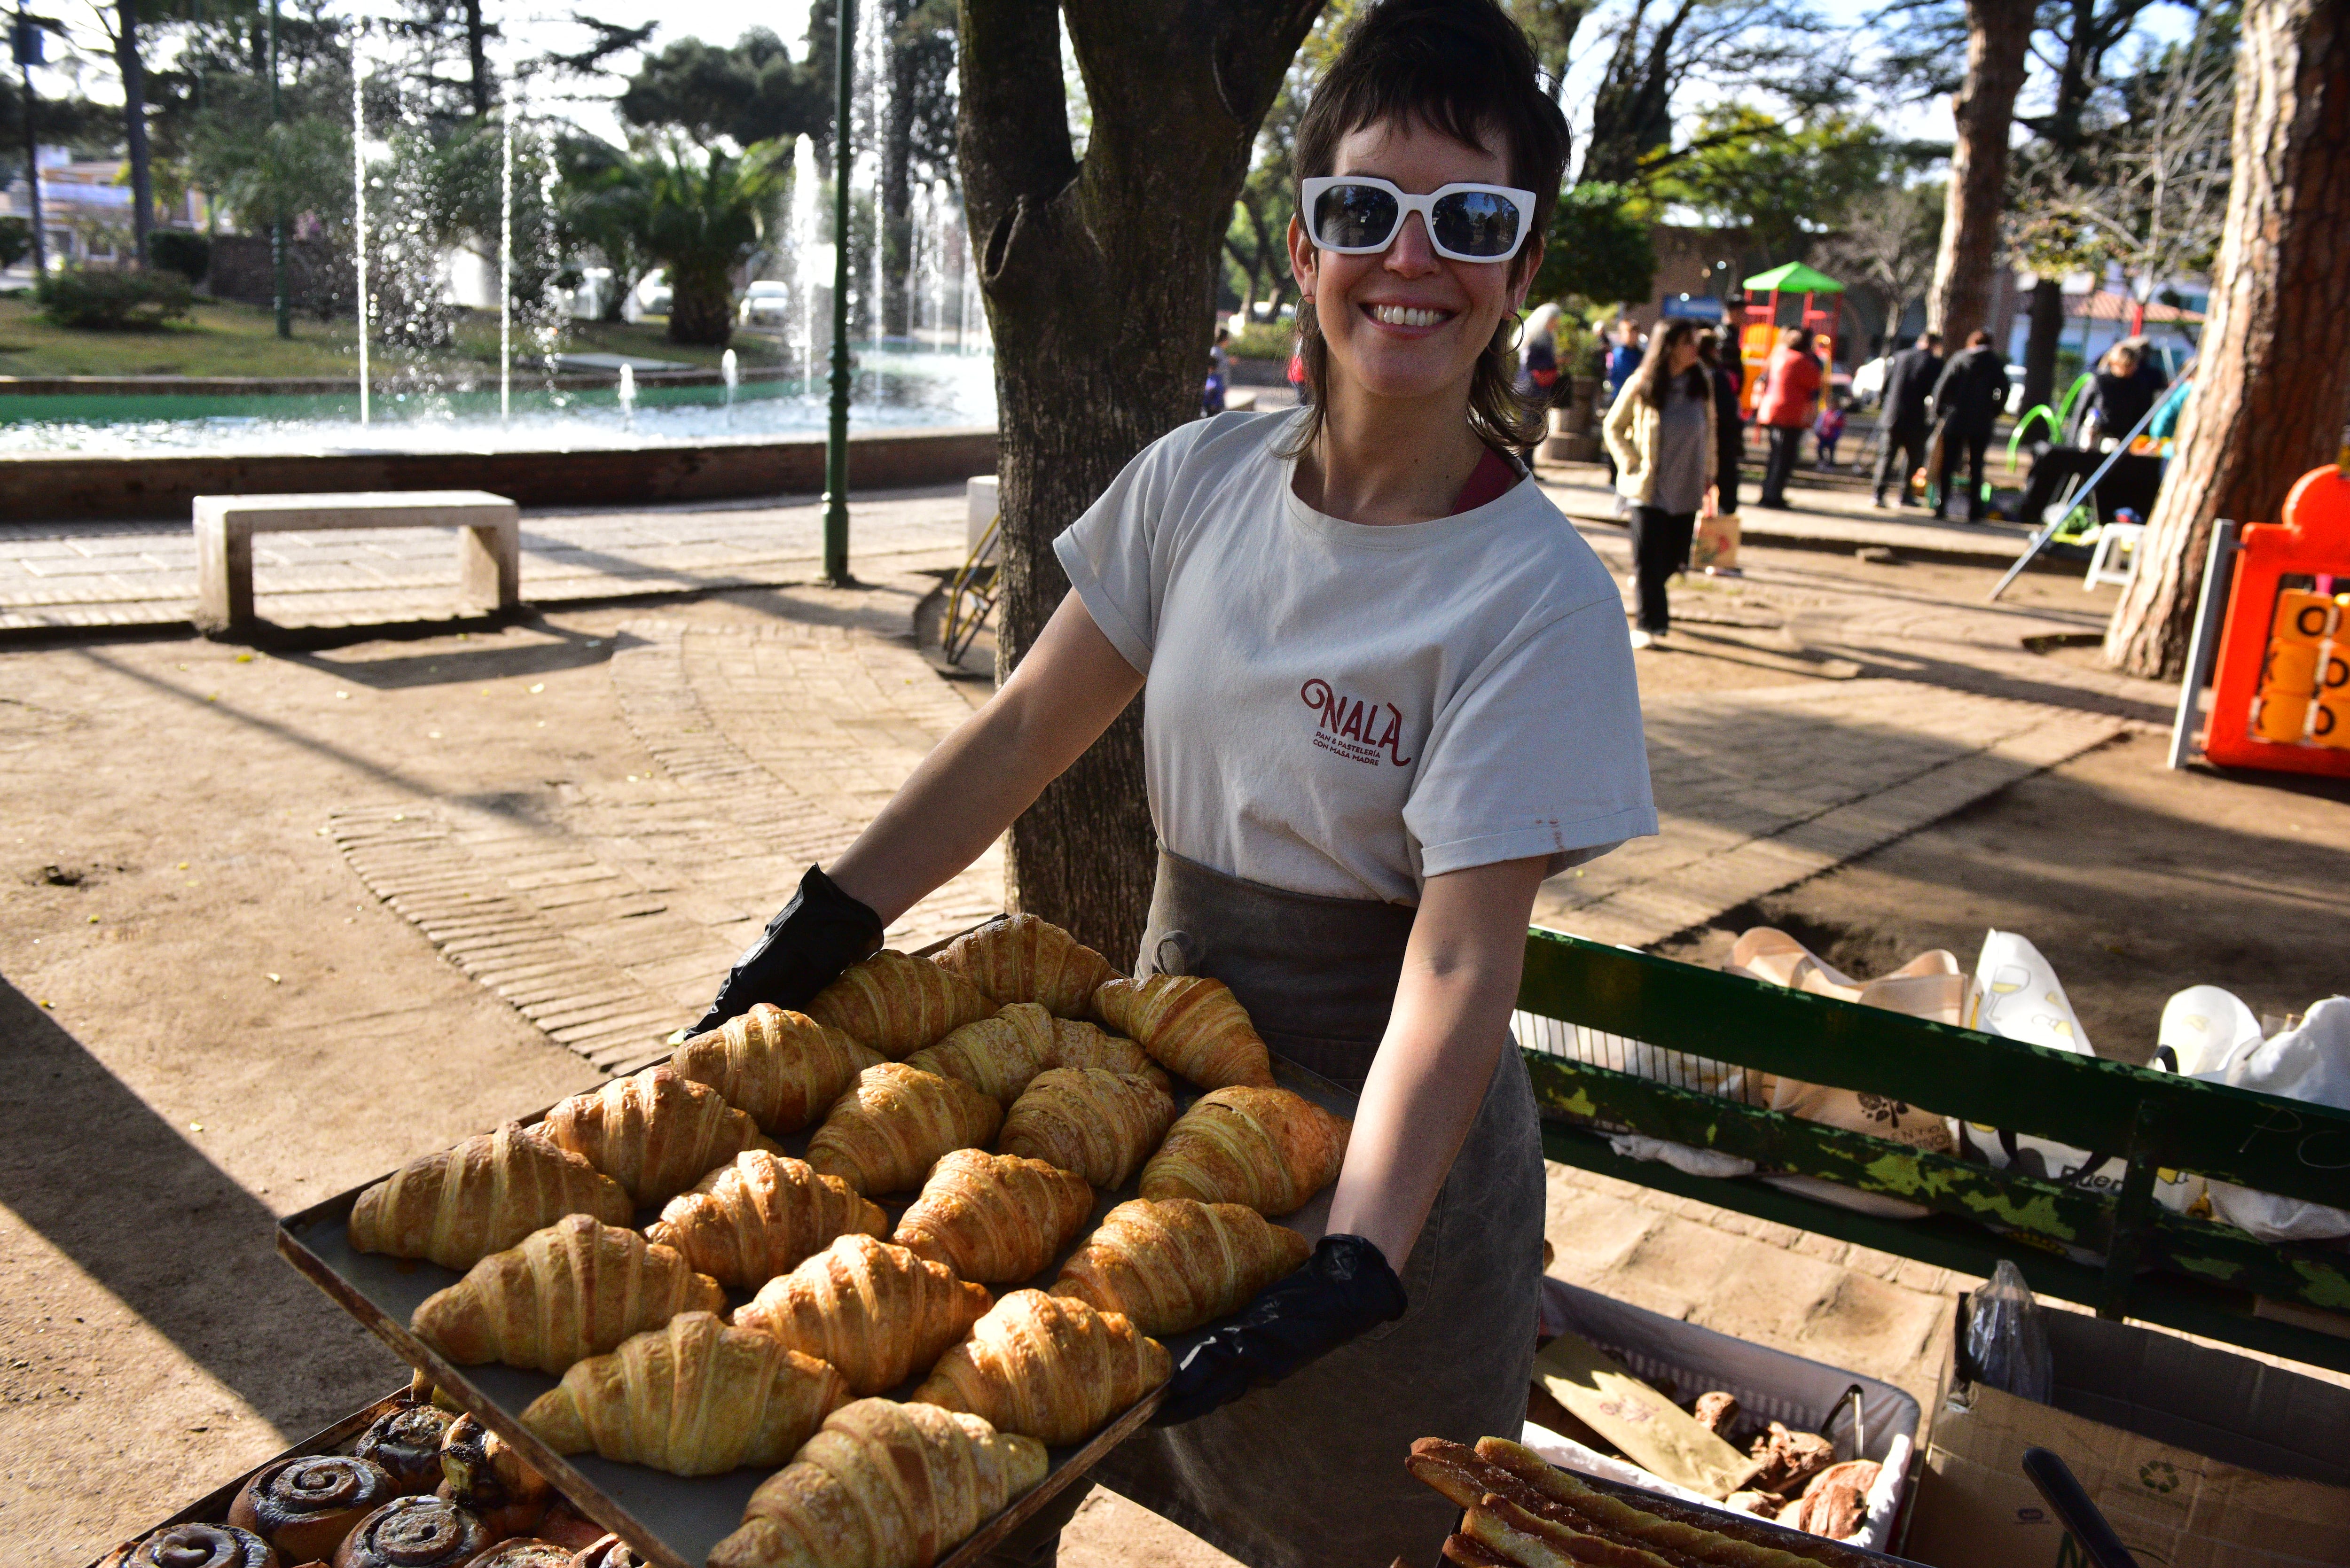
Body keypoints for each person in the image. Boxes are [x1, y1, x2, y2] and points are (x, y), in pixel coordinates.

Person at [686, 4, 1656, 1566]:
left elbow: (1465, 957)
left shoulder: (1535, 598)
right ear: (1302, 245)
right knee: (1008, 1449)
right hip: (1157, 1086)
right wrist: (824, 919)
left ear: (1524, 267)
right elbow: (1018, 739)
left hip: (1381, 1149)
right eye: (1366, 212)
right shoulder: (1196, 482)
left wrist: (1359, 1257)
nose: (1412, 261)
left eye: (1471, 220)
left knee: (1350, 1528)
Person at [1603, 318, 1717, 649]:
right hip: (1648, 489)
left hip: (1688, 487)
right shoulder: (1643, 383)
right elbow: (1613, 427)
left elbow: (1710, 432)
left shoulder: (1702, 382)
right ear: (1669, 346)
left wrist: (1711, 472)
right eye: (1688, 342)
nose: (1696, 348)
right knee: (1648, 560)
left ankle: (1649, 587)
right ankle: (1651, 624)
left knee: (1674, 559)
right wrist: (1631, 463)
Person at [1929, 327, 2008, 521]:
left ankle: (1942, 506)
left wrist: (1938, 412)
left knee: (1948, 464)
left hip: (1956, 419)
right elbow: (2005, 389)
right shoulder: (1994, 363)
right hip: (1981, 422)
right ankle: (1974, 511)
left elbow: (1942, 385)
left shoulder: (1959, 359)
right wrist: (1995, 410)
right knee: (1976, 466)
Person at [1871, 330, 1942, 508]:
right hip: (1915, 417)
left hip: (1892, 415)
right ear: (1934, 345)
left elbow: (1886, 385)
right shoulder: (1933, 363)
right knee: (1912, 458)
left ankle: (1878, 493)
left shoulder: (1899, 357)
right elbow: (1934, 391)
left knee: (1886, 456)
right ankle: (1905, 494)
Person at [1753, 325, 1821, 509]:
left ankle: (1769, 492)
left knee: (1776, 455)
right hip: (1789, 413)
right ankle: (1773, 495)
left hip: (1773, 411)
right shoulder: (1802, 361)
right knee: (1784, 458)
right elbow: (1815, 382)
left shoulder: (1779, 356)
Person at [1696, 329, 1744, 513]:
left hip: (1710, 435)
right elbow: (1727, 410)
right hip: (1720, 435)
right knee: (1725, 478)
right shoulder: (1714, 375)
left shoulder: (1700, 373)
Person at [2079, 341, 2155, 450]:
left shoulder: (2138, 385)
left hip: (2125, 440)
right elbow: (2082, 410)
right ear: (2115, 363)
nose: (2130, 369)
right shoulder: (2100, 381)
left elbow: (2142, 414)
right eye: (2127, 366)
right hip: (2098, 436)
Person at [1514, 301, 1563, 463]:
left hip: (1539, 388)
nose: (1556, 323)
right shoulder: (1536, 338)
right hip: (1532, 388)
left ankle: (1529, 464)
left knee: (1536, 427)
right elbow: (1531, 364)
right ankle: (1524, 463)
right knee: (1530, 428)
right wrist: (1554, 362)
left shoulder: (1545, 337)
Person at [1204, 325, 1232, 416]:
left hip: (1220, 387)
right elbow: (1214, 367)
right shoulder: (1216, 352)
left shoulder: (1220, 351)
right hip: (1216, 388)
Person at [1813, 396, 1847, 469]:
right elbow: (1819, 423)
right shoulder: (1824, 413)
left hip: (1833, 436)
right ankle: (1822, 461)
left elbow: (1842, 424)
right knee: (1820, 448)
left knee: (1832, 450)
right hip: (1823, 435)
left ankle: (1831, 464)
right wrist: (1818, 431)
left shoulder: (1839, 414)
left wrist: (1836, 423)